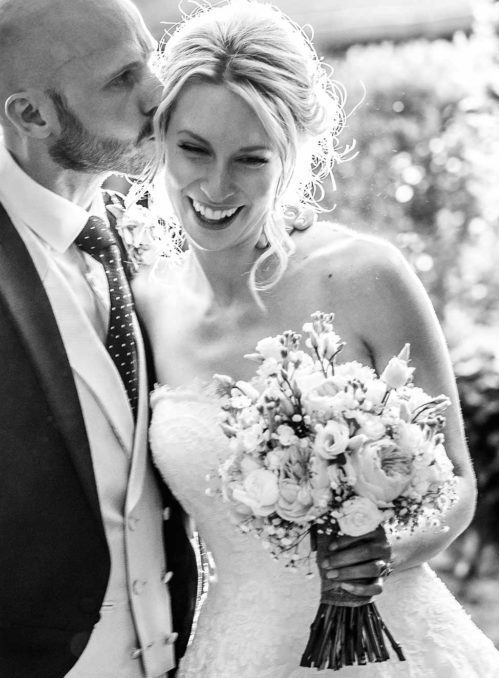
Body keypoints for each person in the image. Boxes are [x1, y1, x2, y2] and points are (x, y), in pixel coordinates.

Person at [136, 2, 499, 677]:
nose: (216, 186)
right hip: (240, 649)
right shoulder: (148, 303)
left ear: (294, 156)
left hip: (396, 646)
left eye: (251, 159)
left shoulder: (365, 277)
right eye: (194, 148)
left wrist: (379, 554)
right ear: (159, 136)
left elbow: (455, 484)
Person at [0, 0, 199, 676]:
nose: (159, 93)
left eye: (152, 58)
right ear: (30, 116)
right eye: (121, 79)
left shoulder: (157, 231)